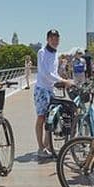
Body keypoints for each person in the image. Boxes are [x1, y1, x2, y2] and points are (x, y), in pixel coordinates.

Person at [34, 29, 72, 159]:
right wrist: (62, 80)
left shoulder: (56, 54)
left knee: (51, 118)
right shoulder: (42, 52)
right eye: (52, 38)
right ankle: (40, 148)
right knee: (41, 118)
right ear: (47, 39)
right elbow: (45, 73)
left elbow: (54, 73)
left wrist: (63, 79)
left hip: (51, 89)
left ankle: (47, 145)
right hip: (41, 89)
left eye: (57, 38)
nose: (55, 41)